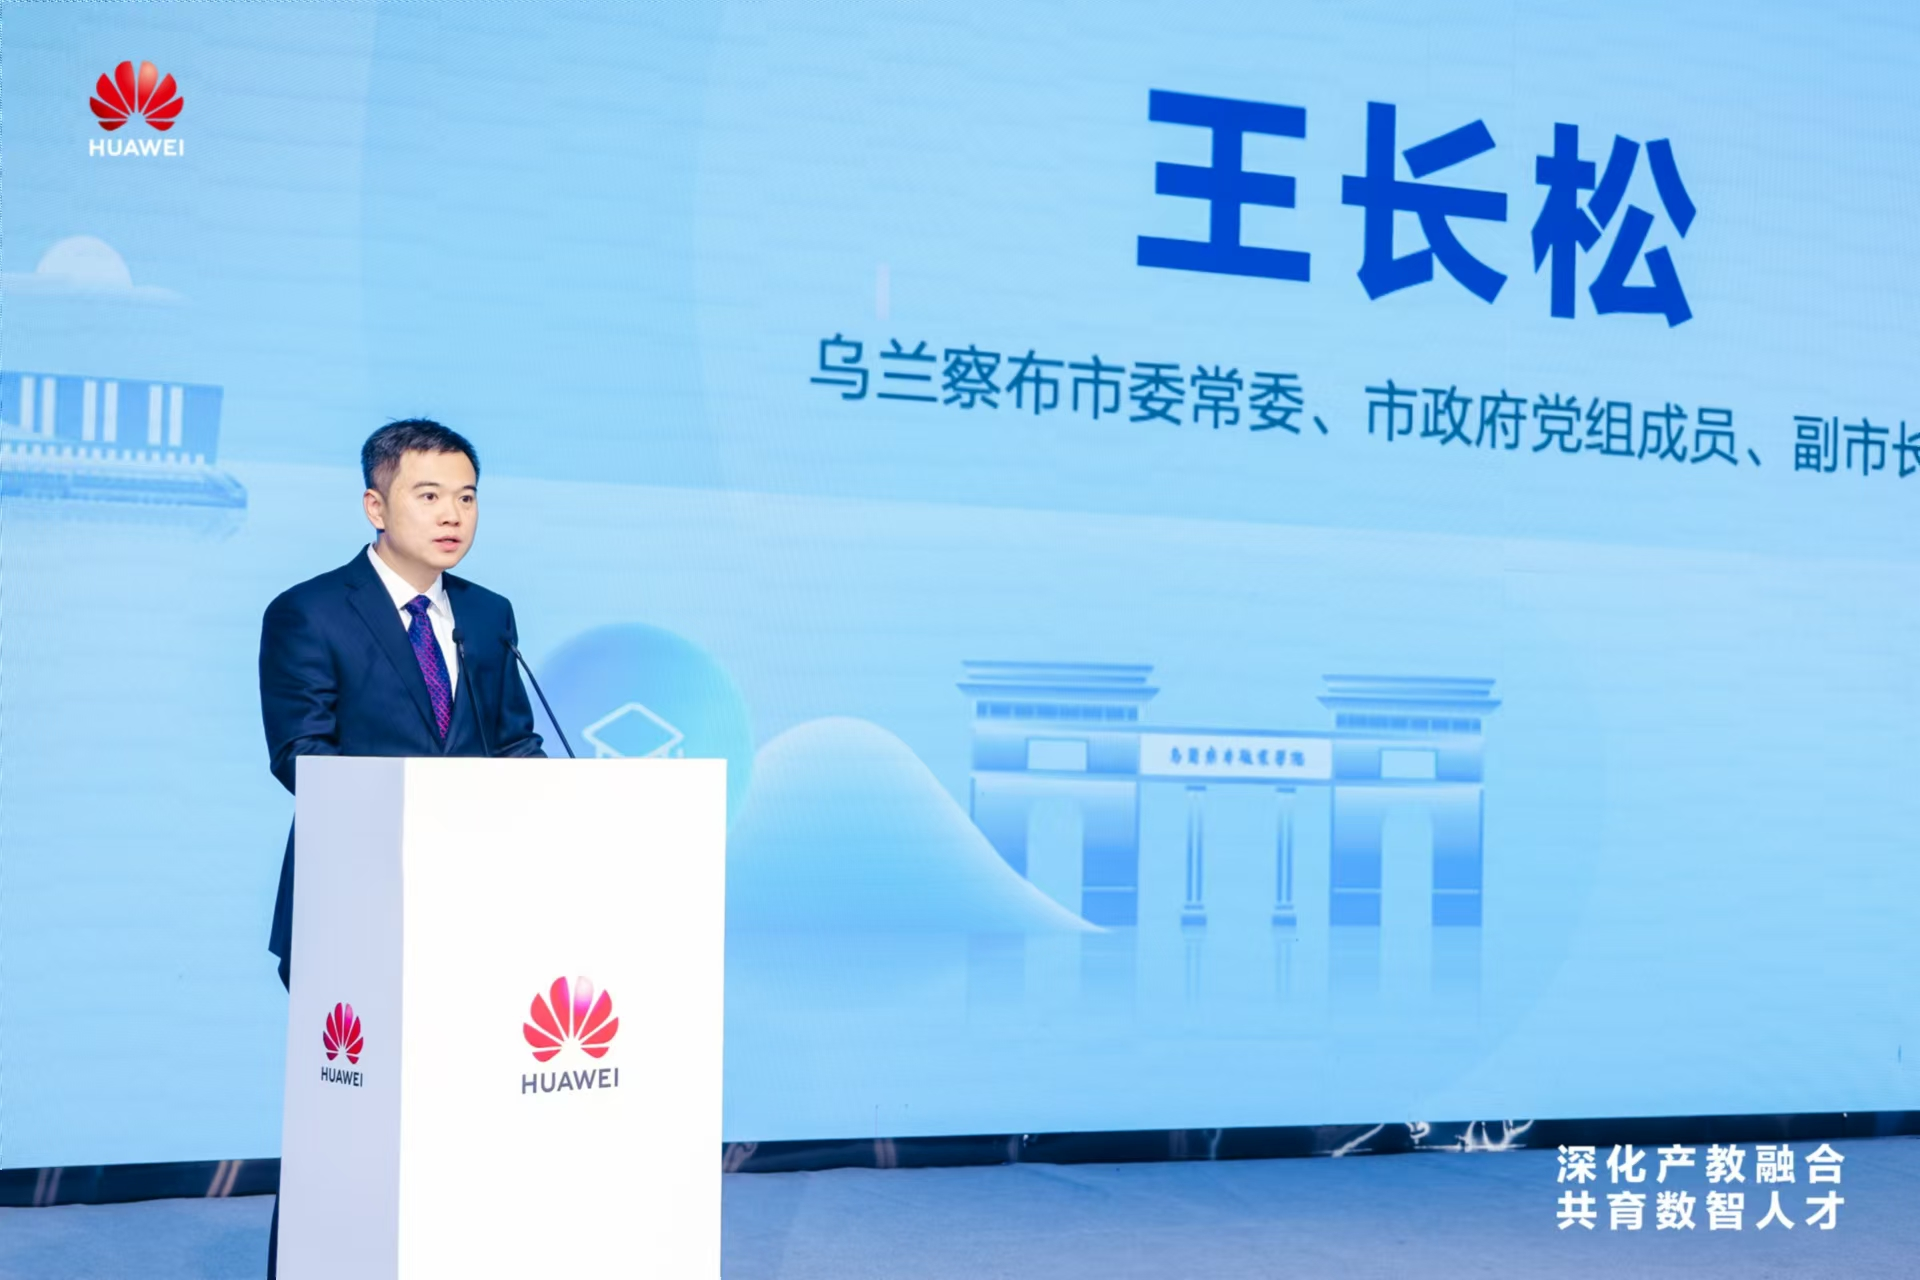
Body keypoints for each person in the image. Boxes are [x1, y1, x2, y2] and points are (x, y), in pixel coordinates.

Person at [256, 419, 544, 1276]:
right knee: (347, 1119)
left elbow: (513, 743)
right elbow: (301, 754)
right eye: (429, 495)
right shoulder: (309, 611)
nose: (453, 514)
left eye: (467, 496)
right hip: (356, 903)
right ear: (375, 506)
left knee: (465, 1117)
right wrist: (421, 809)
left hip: (474, 902)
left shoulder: (488, 615)